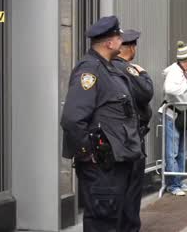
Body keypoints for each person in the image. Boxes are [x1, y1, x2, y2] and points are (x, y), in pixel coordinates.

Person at [61, 16, 144, 232]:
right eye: (119, 37)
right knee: (102, 223)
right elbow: (72, 118)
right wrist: (89, 153)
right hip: (102, 167)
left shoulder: (109, 69)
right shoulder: (89, 71)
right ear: (109, 43)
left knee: (117, 220)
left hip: (118, 162)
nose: (122, 41)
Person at [111, 29, 153, 228]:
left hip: (118, 139)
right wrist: (142, 73)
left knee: (119, 190)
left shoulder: (108, 67)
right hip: (131, 139)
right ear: (130, 47)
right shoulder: (127, 69)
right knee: (131, 191)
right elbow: (146, 93)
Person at [159, 41, 187, 196]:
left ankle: (178, 182)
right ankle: (173, 185)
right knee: (172, 152)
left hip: (178, 114)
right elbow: (169, 89)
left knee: (180, 151)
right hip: (171, 114)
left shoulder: (183, 70)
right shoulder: (175, 71)